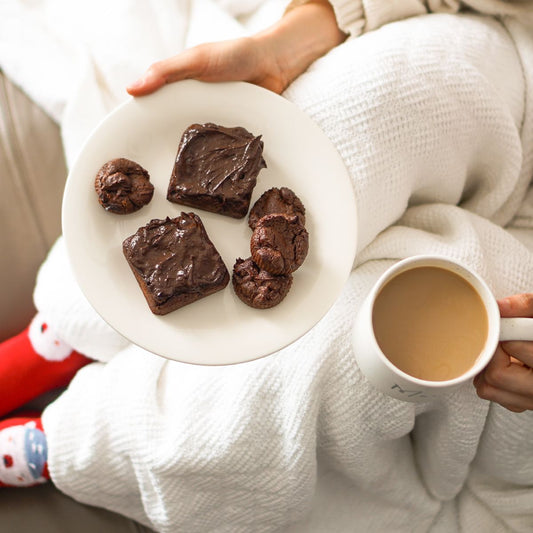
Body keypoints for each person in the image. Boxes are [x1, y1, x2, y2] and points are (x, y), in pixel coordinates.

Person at [0, 0, 532, 531]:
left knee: (343, 361)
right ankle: (68, 333)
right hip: (518, 67)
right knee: (361, 113)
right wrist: (286, 47)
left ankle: (72, 443)